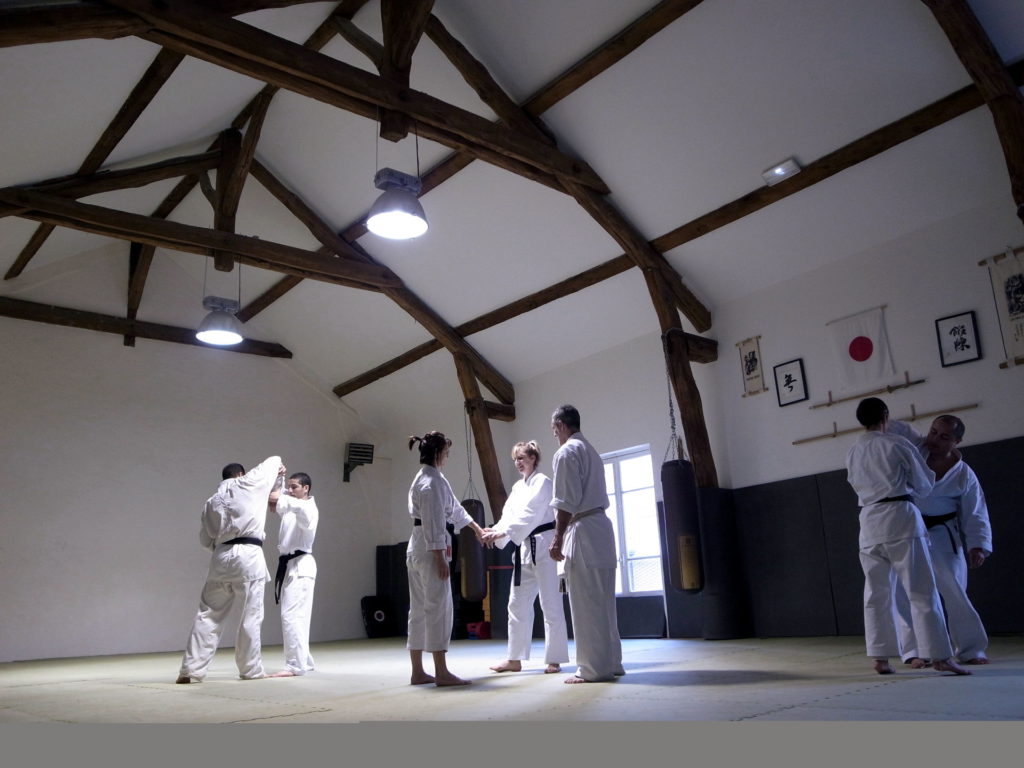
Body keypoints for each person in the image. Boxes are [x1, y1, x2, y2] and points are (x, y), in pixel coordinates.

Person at [844, 398, 969, 676]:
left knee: (876, 593)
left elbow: (854, 483)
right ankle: (940, 656)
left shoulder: (853, 451)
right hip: (900, 518)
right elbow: (924, 485)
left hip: (868, 523)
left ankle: (880, 657)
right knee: (921, 591)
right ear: (886, 416)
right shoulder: (897, 444)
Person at [888, 415, 993, 667]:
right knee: (904, 589)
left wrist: (978, 545)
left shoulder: (964, 474)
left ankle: (970, 648)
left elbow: (975, 510)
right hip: (910, 526)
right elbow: (897, 427)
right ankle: (914, 650)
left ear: (957, 441)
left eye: (944, 436)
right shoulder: (916, 448)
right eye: (933, 431)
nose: (934, 439)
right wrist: (879, 419)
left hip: (944, 531)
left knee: (954, 588)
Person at [176, 456, 284, 683]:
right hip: (248, 554)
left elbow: (205, 540)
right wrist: (278, 477)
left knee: (207, 615)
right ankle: (250, 670)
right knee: (250, 616)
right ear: (240, 474)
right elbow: (275, 459)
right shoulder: (247, 484)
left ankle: (190, 671)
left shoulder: (211, 501)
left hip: (220, 557)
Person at [547, 405, 623, 684]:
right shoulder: (591, 451)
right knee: (604, 603)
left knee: (586, 603)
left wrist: (557, 538)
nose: (554, 435)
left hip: (583, 532)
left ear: (561, 425)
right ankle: (612, 662)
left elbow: (565, 501)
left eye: (554, 430)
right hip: (602, 528)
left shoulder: (566, 452)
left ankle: (592, 668)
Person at [481, 440, 569, 675]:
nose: (518, 463)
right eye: (515, 459)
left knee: (550, 603)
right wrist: (493, 531)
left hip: (545, 546)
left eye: (521, 458)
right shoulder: (518, 488)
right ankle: (515, 658)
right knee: (516, 604)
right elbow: (508, 515)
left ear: (533, 458)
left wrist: (505, 532)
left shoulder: (543, 482)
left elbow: (530, 514)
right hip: (524, 550)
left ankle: (554, 658)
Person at [406, 431, 486, 687]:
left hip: (417, 548)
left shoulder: (428, 478)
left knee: (418, 609)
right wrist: (439, 556)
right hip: (430, 550)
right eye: (447, 453)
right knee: (438, 607)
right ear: (439, 453)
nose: (448, 457)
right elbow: (433, 521)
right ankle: (441, 672)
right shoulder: (431, 482)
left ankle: (418, 671)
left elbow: (454, 509)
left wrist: (476, 528)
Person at [267, 471, 319, 677]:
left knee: (292, 616)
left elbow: (285, 502)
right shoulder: (291, 509)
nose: (290, 490)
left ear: (306, 488)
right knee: (299, 617)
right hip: (291, 566)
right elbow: (276, 502)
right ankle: (303, 660)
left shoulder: (308, 509)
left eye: (295, 486)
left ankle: (295, 665)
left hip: (301, 566)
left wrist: (281, 496)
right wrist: (280, 478)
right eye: (290, 486)